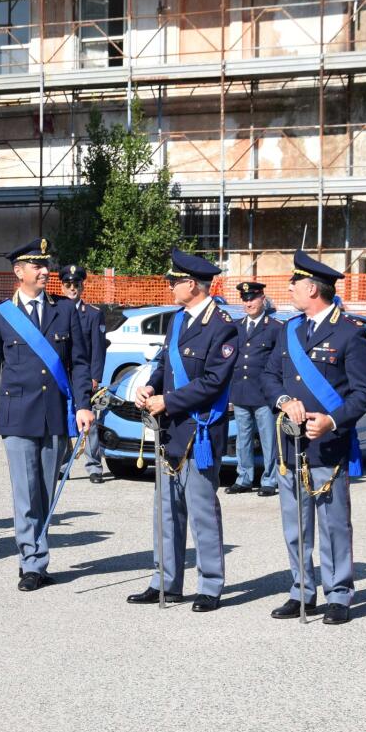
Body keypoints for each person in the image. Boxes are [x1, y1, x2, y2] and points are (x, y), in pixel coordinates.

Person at [0, 238, 94, 592]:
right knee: (25, 494)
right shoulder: (0, 315)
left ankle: (37, 556)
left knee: (45, 490)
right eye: (36, 265)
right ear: (18, 272)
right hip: (16, 415)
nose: (45, 271)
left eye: (46, 264)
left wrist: (83, 404)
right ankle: (32, 562)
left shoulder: (65, 310)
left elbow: (80, 363)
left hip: (54, 413)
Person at [263, 251, 366, 624]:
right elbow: (269, 376)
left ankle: (339, 593)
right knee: (295, 522)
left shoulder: (351, 332)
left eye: (294, 283)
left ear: (311, 288)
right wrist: (283, 400)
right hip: (290, 442)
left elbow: (363, 394)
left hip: (328, 442)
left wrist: (331, 420)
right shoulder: (289, 329)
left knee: (333, 524)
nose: (290, 289)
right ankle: (301, 590)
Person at [127, 250, 238, 611]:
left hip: (200, 429)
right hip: (170, 427)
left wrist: (168, 401)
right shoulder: (177, 320)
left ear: (192, 284)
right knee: (167, 509)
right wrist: (150, 386)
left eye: (174, 281)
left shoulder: (222, 324)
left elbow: (213, 381)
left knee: (201, 509)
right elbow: (165, 363)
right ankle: (165, 581)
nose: (170, 286)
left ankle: (210, 585)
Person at [227, 281, 284, 497]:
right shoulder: (236, 327)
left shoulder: (276, 327)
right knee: (243, 438)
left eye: (252, 298)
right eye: (245, 299)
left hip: (264, 394)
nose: (249, 302)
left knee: (269, 438)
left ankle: (270, 480)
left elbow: (279, 361)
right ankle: (244, 478)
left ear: (262, 299)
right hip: (241, 390)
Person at [57, 264, 107, 484]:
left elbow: (98, 349)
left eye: (76, 284)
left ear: (82, 286)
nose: (72, 288)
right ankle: (62, 466)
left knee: (90, 423)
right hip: (62, 376)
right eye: (68, 284)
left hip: (84, 375)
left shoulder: (93, 314)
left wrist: (95, 376)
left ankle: (94, 466)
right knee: (64, 421)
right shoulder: (55, 311)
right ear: (62, 286)